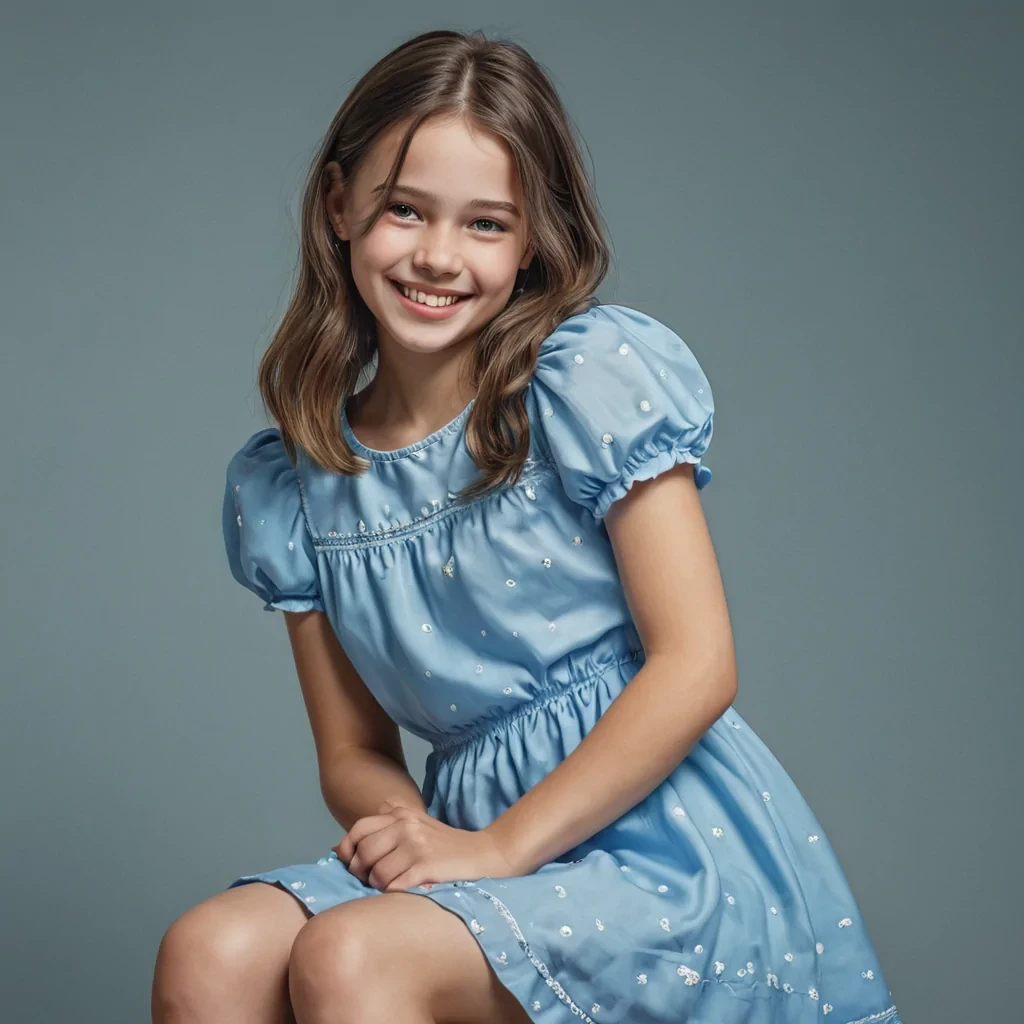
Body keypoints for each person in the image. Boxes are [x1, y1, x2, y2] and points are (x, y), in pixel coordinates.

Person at [152, 28, 902, 1024]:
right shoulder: (294, 484)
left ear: (535, 240)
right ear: (339, 207)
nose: (436, 255)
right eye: (403, 210)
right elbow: (352, 750)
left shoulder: (583, 385)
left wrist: (496, 853)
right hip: (466, 829)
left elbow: (697, 662)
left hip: (662, 845)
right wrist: (417, 838)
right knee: (211, 951)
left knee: (352, 960)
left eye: (484, 225)